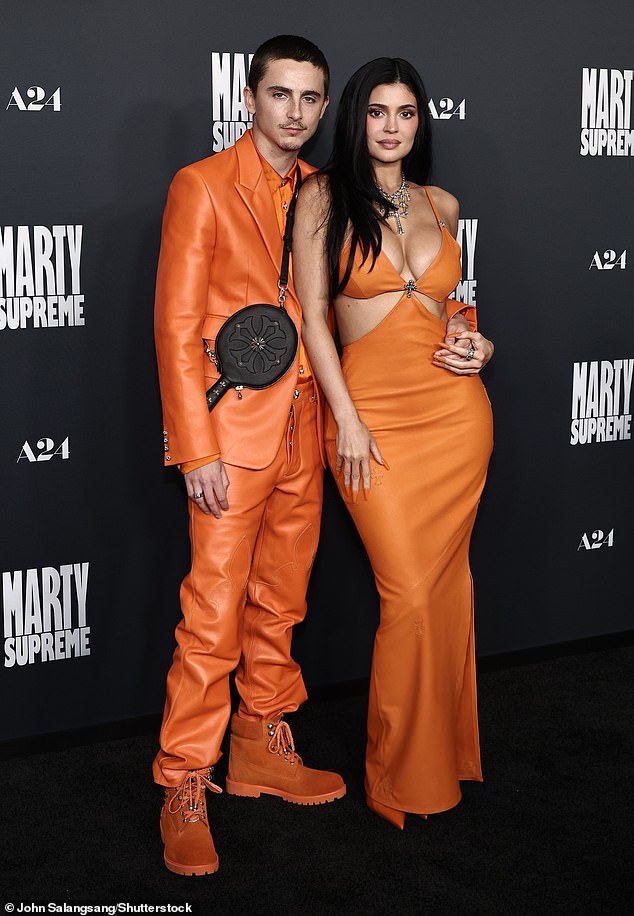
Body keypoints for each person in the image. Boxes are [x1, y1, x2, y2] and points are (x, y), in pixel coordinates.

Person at [152, 35, 345, 877]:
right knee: (212, 616)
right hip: (231, 436)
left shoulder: (322, 190)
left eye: (310, 98)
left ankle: (261, 745)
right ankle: (184, 780)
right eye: (281, 95)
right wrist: (193, 446)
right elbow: (174, 323)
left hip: (307, 426)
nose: (296, 113)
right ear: (250, 96)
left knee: (282, 602)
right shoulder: (200, 185)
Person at [293, 57, 494, 828]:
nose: (391, 127)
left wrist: (482, 348)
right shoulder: (322, 196)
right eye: (378, 111)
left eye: (406, 113)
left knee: (446, 590)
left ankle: (442, 758)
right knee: (407, 592)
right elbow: (314, 317)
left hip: (456, 417)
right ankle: (400, 773)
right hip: (370, 418)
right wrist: (344, 418)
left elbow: (454, 313)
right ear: (356, 117)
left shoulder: (441, 202)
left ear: (420, 123)